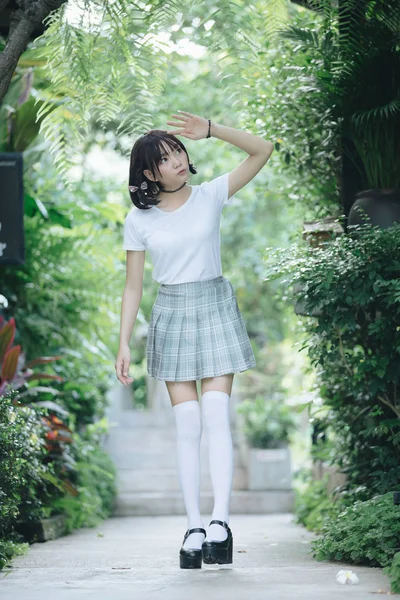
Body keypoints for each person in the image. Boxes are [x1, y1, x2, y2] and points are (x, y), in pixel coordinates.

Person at [115, 111, 274, 569]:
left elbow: (263, 149)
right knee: (188, 426)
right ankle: (194, 527)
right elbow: (133, 287)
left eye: (178, 151)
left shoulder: (210, 195)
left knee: (216, 414)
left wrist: (211, 129)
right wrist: (124, 342)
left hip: (214, 305)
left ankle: (221, 522)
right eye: (165, 158)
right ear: (149, 173)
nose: (178, 160)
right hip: (172, 314)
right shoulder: (138, 219)